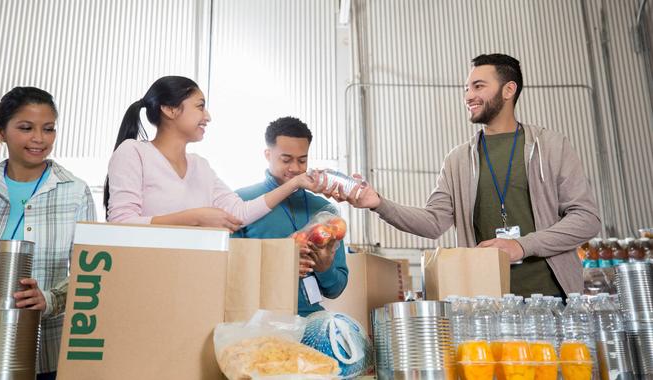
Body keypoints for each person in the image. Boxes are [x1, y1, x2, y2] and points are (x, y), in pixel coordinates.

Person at [331, 54, 601, 297]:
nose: (468, 96)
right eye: (466, 89)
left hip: (554, 301)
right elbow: (434, 222)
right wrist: (379, 202)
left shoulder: (552, 146)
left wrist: (523, 245)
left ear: (509, 90)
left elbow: (587, 219)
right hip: (487, 304)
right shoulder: (458, 159)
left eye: (478, 86)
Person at [0, 87, 96, 379]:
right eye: (26, 128)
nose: (39, 139)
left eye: (49, 129)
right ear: (2, 132)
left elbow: (89, 272)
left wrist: (51, 299)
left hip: (47, 355)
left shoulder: (76, 192)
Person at [105, 76, 319, 228]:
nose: (207, 116)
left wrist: (295, 183)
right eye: (200, 106)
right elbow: (121, 223)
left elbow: (240, 213)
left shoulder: (200, 166)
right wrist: (195, 218)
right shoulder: (134, 152)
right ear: (169, 109)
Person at [233, 117, 348, 316]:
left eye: (302, 160)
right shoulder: (241, 202)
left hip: (311, 321)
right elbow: (229, 272)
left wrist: (324, 268)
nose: (295, 168)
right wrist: (278, 265)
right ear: (267, 154)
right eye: (286, 160)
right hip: (257, 323)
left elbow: (336, 289)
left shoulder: (324, 210)